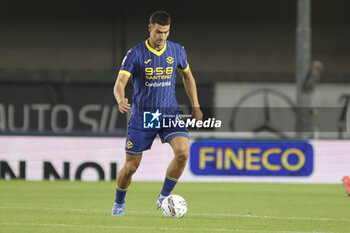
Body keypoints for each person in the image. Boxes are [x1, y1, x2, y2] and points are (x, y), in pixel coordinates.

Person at [111, 10, 203, 216]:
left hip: (169, 113)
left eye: (166, 32)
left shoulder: (177, 50)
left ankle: (163, 198)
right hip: (144, 117)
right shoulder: (135, 54)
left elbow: (188, 77)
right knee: (131, 167)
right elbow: (120, 83)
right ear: (150, 28)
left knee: (183, 153)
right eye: (158, 32)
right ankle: (119, 203)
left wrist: (195, 105)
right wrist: (120, 99)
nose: (162, 37)